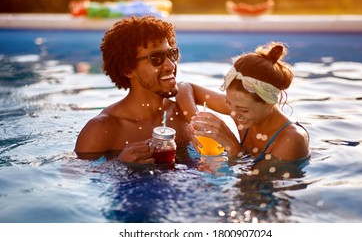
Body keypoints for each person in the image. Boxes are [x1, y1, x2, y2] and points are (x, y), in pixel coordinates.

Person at [74, 16, 190, 163]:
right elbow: (73, 176)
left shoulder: (184, 115)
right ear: (128, 70)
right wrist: (120, 165)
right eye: (156, 58)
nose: (171, 66)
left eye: (171, 54)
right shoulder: (101, 130)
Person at [176, 42, 309, 166]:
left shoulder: (291, 139)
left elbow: (254, 186)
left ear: (270, 103)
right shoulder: (239, 109)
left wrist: (233, 148)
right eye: (228, 103)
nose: (233, 113)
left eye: (243, 110)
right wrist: (197, 123)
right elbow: (184, 87)